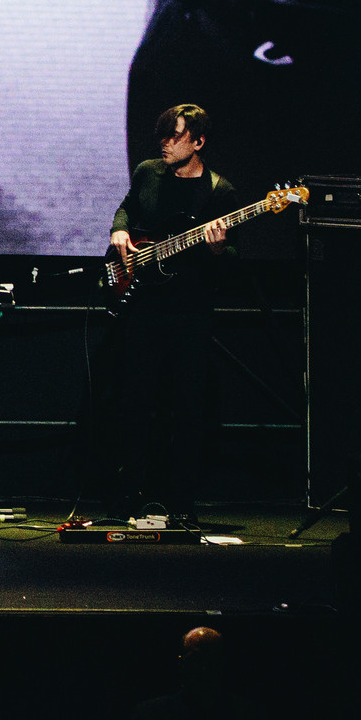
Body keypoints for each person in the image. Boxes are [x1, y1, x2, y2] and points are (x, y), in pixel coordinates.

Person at [106, 105, 238, 527]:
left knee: (187, 408)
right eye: (162, 134)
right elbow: (127, 207)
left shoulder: (220, 192)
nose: (164, 142)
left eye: (175, 136)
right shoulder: (148, 172)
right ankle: (128, 496)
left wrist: (218, 249)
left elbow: (231, 262)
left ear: (198, 142)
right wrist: (119, 229)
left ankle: (182, 502)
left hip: (190, 314)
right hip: (144, 308)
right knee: (133, 403)